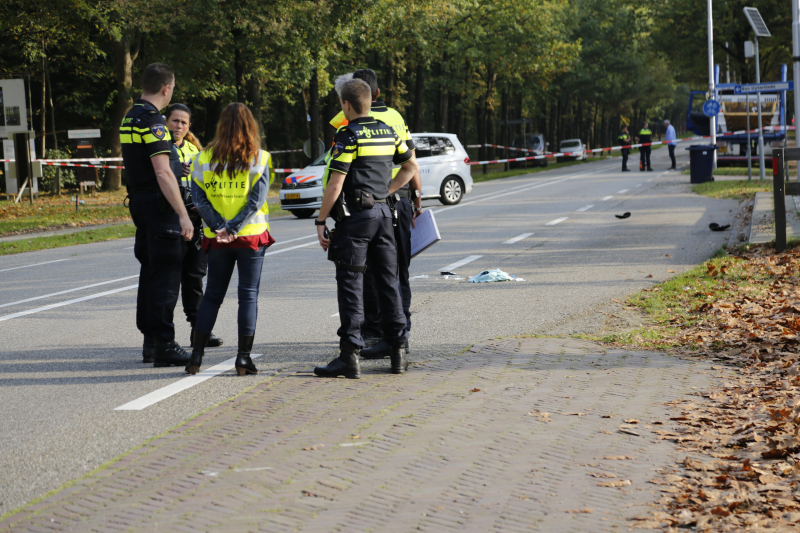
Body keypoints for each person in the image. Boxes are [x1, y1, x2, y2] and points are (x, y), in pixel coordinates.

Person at [314, 79, 419, 378]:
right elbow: (411, 167)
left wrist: (321, 221)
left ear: (346, 105)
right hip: (386, 215)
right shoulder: (388, 132)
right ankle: (398, 353)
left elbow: (335, 183)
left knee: (351, 284)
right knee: (388, 282)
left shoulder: (348, 134)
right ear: (372, 101)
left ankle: (350, 356)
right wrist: (387, 190)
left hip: (357, 219)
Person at [186, 103, 275, 376]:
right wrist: (235, 228)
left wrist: (220, 227)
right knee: (248, 297)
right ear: (251, 126)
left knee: (212, 295)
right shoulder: (260, 158)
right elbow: (256, 201)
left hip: (217, 240)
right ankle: (243, 360)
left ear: (221, 126)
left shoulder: (202, 158)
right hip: (249, 238)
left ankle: (196, 357)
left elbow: (198, 200)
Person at [121, 63, 194, 367]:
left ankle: (150, 340)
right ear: (167, 89)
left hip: (139, 200)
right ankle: (165, 343)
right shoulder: (153, 121)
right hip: (159, 204)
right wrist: (183, 214)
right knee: (165, 272)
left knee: (149, 269)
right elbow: (163, 172)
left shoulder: (130, 116)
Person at [165, 104, 223, 349]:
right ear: (166, 122)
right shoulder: (159, 146)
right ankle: (161, 337)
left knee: (195, 277)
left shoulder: (193, 148)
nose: (179, 126)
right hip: (169, 220)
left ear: (189, 126)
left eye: (183, 123)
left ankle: (199, 331)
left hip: (195, 221)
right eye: (175, 121)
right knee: (168, 280)